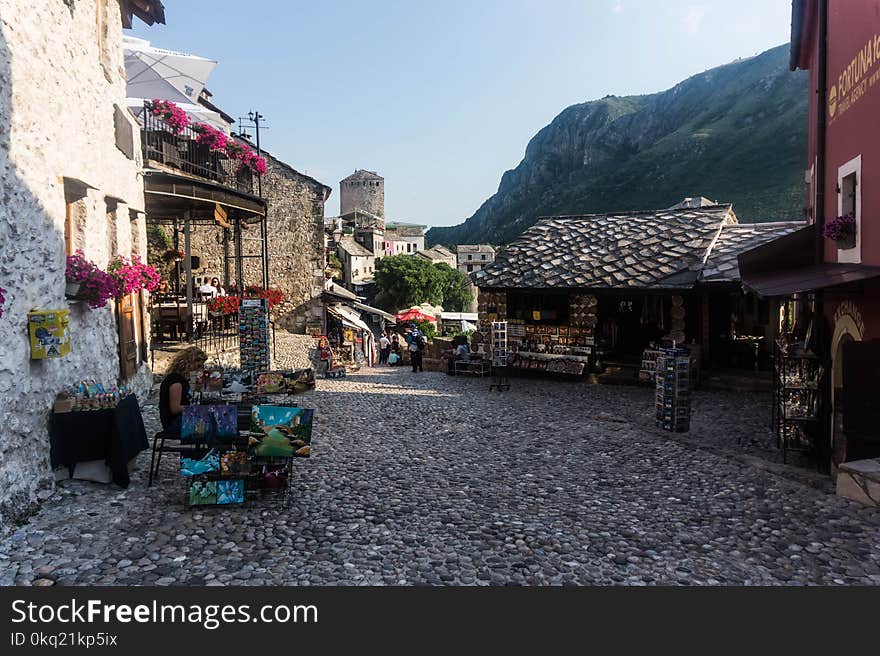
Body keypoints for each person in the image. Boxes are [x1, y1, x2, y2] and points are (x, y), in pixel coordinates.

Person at [159, 346, 208, 433]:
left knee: (218, 421)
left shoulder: (183, 378)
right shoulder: (176, 382)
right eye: (199, 366)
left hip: (182, 418)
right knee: (219, 426)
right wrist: (195, 408)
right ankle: (218, 445)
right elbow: (175, 408)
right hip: (175, 423)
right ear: (189, 364)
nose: (200, 369)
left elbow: (199, 386)